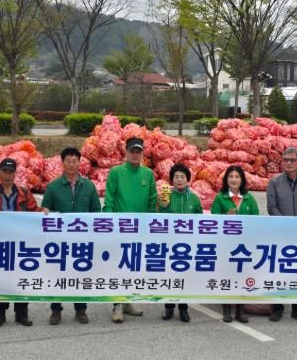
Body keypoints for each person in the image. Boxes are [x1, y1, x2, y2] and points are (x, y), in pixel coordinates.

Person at [41, 147, 101, 325]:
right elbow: (45, 208)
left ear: (80, 163)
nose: (72, 164)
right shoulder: (53, 187)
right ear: (63, 163)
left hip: (82, 240)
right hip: (59, 241)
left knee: (80, 274)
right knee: (57, 274)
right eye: (68, 161)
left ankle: (80, 309)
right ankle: (56, 310)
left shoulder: (89, 186)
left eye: (75, 161)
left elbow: (96, 211)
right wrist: (45, 211)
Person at [0, 157, 38, 327]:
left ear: (15, 174)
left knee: (21, 278)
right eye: (4, 171)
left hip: (20, 242)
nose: (7, 175)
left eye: (10, 172)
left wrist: (44, 212)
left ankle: (21, 314)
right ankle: (0, 314)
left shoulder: (24, 192)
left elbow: (34, 210)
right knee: (0, 279)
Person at [103, 137, 158, 323]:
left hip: (140, 230)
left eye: (138, 151)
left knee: (134, 266)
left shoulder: (148, 174)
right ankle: (117, 305)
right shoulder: (116, 172)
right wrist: (109, 222)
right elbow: (109, 199)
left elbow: (152, 200)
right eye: (132, 151)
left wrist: (150, 225)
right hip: (120, 228)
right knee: (119, 266)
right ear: (126, 152)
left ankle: (128, 301)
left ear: (142, 154)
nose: (135, 155)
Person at [266, 147, 297, 323]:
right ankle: (277, 307)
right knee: (278, 269)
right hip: (280, 232)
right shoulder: (274, 182)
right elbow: (271, 206)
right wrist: (285, 223)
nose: (288, 163)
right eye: (285, 159)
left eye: (292, 160)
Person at [211, 165, 259, 323]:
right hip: (226, 244)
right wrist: (225, 217)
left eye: (237, 177)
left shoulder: (249, 198)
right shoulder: (220, 198)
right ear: (226, 179)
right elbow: (213, 221)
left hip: (244, 245)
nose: (233, 179)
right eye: (230, 176)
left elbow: (256, 220)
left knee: (242, 275)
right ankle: (226, 308)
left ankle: (240, 309)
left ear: (242, 180)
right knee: (226, 275)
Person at [158, 162, 202, 323]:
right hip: (169, 243)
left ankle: (183, 308)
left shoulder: (194, 198)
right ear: (172, 180)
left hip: (187, 245)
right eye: (176, 177)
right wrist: (162, 205)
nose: (179, 180)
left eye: (182, 177)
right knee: (169, 276)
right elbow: (160, 216)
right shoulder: (166, 194)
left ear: (187, 179)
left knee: (184, 277)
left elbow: (200, 221)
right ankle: (168, 307)